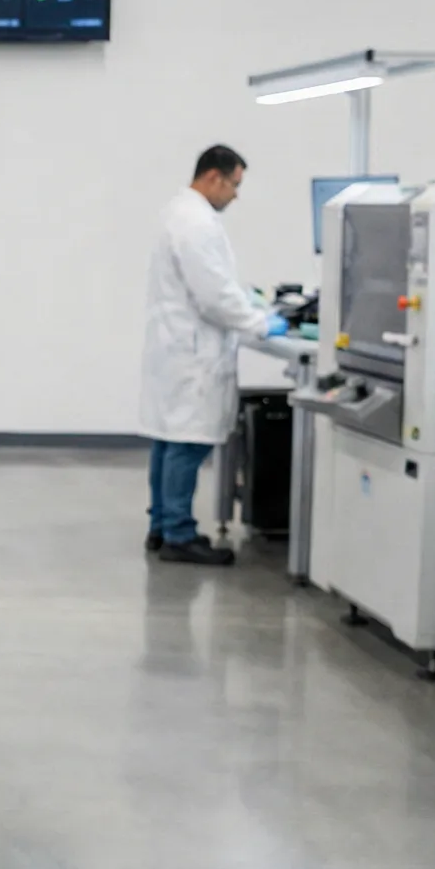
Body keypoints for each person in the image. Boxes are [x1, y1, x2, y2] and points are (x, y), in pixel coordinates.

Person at [138, 143, 284, 565]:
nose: (235, 195)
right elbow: (214, 295)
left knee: (170, 441)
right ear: (213, 177)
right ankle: (178, 535)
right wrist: (259, 322)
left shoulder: (179, 213)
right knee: (185, 446)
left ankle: (162, 525)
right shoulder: (196, 222)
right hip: (193, 353)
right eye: (234, 185)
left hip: (178, 347)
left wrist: (247, 299)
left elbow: (214, 285)